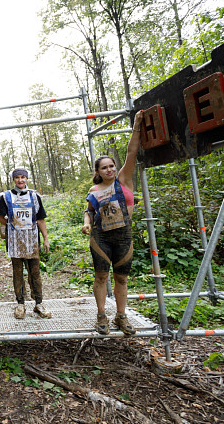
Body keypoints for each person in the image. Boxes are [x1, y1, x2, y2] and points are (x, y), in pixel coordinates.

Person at [82, 111, 144, 335]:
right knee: (101, 276)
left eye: (111, 166)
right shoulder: (93, 191)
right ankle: (101, 315)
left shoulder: (124, 180)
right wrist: (87, 223)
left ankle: (121, 316)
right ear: (98, 172)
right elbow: (88, 212)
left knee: (122, 278)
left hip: (124, 236)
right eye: (104, 167)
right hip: (101, 237)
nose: (109, 169)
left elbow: (132, 151)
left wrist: (136, 125)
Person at [0, 168, 51, 320]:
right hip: (14, 240)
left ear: (27, 178)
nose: (20, 180)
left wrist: (46, 238)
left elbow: (40, 219)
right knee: (17, 272)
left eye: (23, 177)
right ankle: (20, 303)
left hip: (32, 239)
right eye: (17, 178)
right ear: (13, 179)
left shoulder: (34, 196)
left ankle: (39, 303)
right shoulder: (6, 196)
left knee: (35, 272)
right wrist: (11, 221)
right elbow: (0, 217)